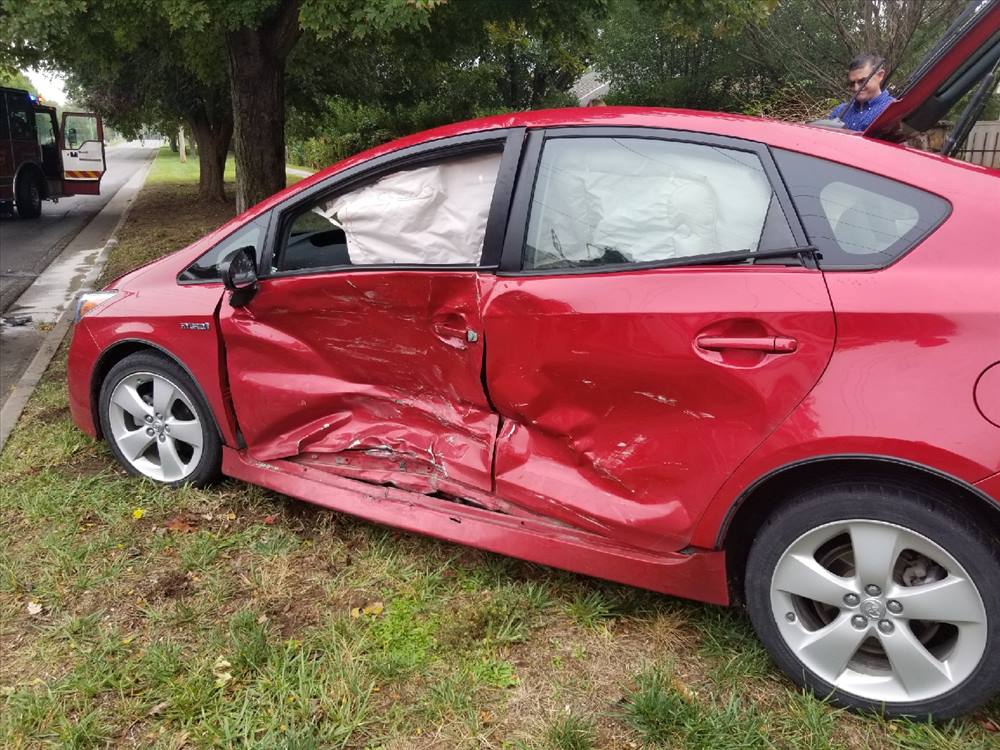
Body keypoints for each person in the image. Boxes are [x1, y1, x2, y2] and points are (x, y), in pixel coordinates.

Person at [828, 53, 895, 131]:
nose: (856, 88)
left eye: (862, 81)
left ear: (880, 75)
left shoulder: (893, 110)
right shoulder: (840, 111)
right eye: (852, 83)